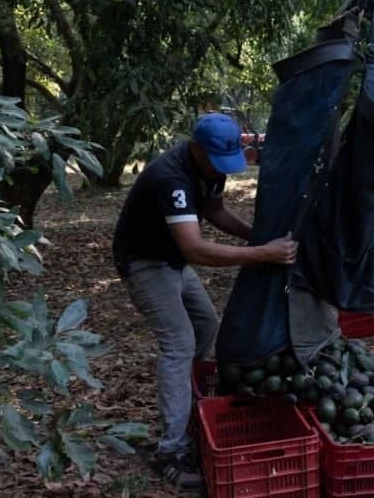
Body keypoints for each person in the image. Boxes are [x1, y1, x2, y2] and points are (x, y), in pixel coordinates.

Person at [112, 113, 297, 489]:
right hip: (146, 262)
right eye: (216, 160)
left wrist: (255, 236)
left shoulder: (211, 165)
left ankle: (187, 403)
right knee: (178, 343)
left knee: (206, 325)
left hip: (172, 259)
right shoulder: (171, 177)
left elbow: (213, 212)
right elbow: (195, 247)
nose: (221, 169)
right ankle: (170, 448)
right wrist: (262, 253)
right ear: (195, 147)